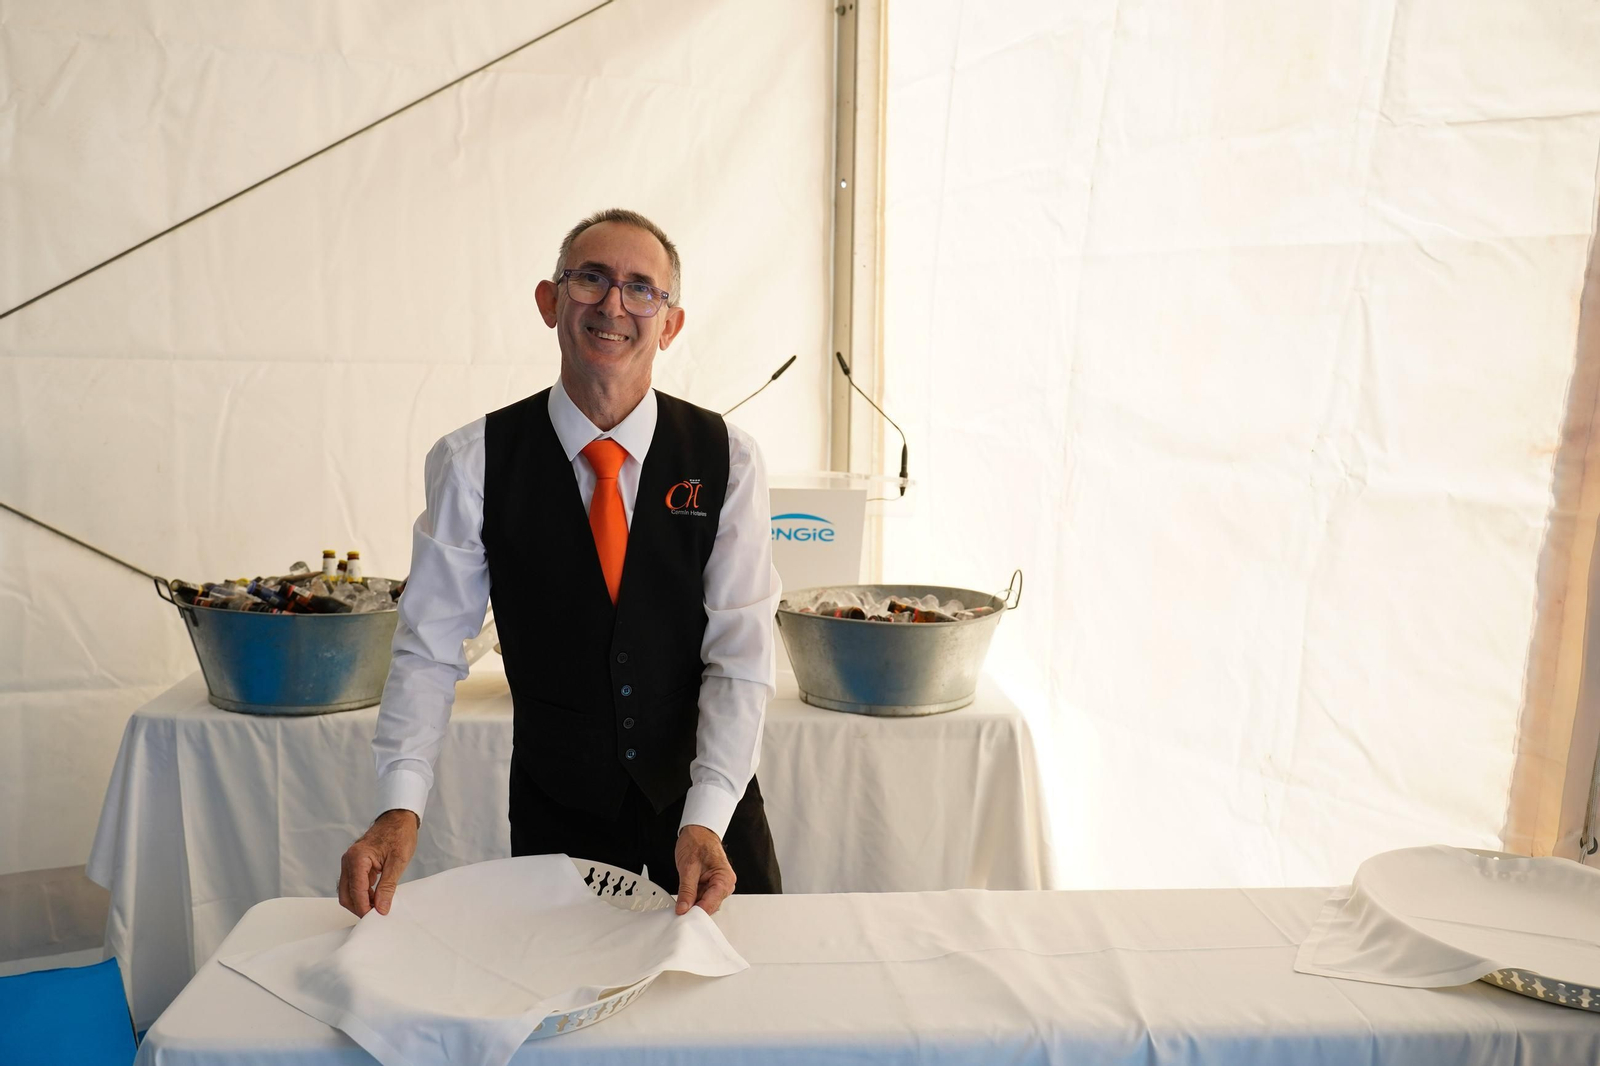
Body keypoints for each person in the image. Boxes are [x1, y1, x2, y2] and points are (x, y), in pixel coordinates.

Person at [337, 208, 783, 920]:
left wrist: (705, 814)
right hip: (560, 811)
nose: (613, 303)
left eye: (643, 288)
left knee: (738, 1005)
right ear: (551, 302)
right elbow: (428, 651)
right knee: (570, 1005)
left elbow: (741, 655)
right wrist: (399, 807)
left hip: (706, 804)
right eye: (591, 279)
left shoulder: (729, 458)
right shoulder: (474, 461)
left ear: (670, 324)